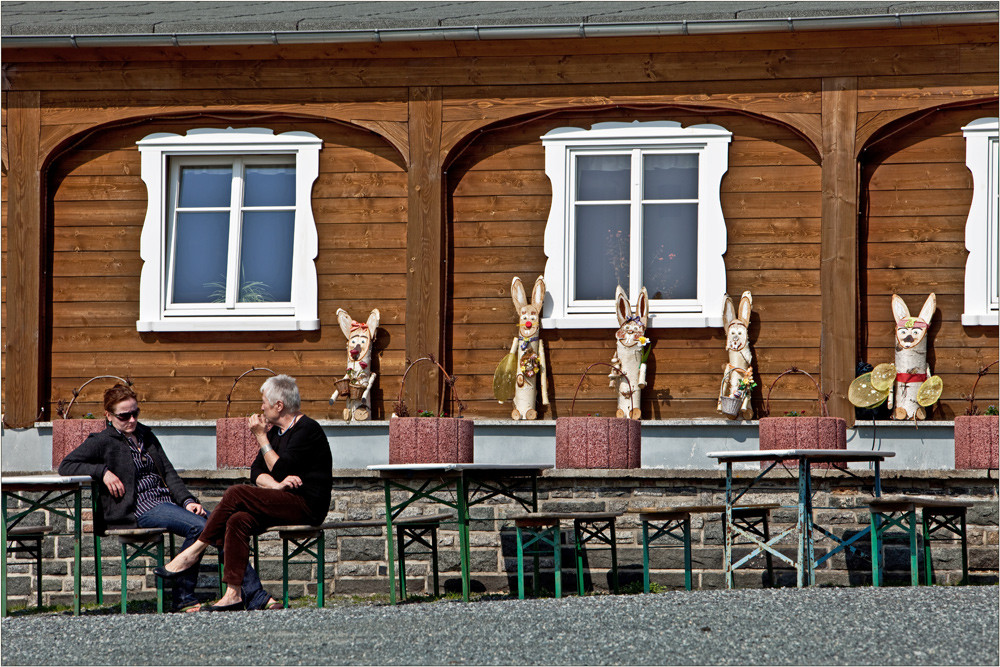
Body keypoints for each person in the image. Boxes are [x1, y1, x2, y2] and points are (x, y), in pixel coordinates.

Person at [58, 383, 281, 612]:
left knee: (224, 523)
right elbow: (66, 465)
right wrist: (103, 473)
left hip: (165, 503)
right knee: (200, 528)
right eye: (124, 416)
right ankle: (184, 597)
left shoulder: (146, 436)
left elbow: (169, 474)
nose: (132, 420)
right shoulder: (102, 441)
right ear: (109, 415)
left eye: (135, 413)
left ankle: (251, 595)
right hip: (139, 508)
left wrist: (188, 501)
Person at [155, 374, 333, 611]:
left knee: (236, 493)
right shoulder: (276, 433)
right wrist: (276, 485)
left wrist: (260, 437)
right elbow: (256, 471)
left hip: (307, 505)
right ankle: (233, 594)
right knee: (238, 520)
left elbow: (280, 467)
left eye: (264, 402)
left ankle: (194, 551)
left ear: (279, 406)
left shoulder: (307, 430)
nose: (261, 407)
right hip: (284, 499)